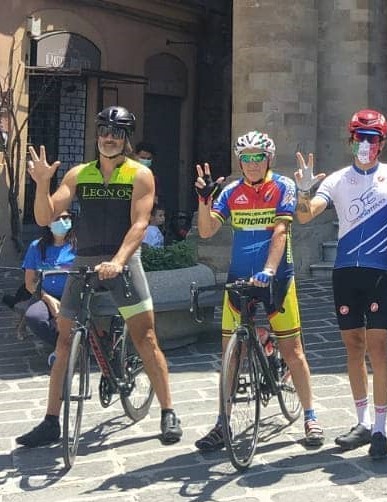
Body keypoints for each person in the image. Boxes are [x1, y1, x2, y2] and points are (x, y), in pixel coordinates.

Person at [17, 105, 183, 448]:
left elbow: (140, 224)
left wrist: (121, 260)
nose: (109, 138)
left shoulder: (140, 174)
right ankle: (50, 420)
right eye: (105, 132)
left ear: (126, 140)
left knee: (146, 337)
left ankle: (168, 411)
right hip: (86, 259)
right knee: (64, 342)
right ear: (98, 136)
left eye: (117, 133)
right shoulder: (79, 174)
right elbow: (46, 215)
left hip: (122, 260)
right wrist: (43, 183)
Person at [193, 130, 324, 450]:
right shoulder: (231, 191)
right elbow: (208, 231)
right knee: (229, 354)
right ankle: (222, 423)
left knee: (293, 352)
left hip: (276, 278)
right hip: (238, 278)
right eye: (245, 158)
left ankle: (310, 417)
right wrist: (204, 200)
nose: (251, 163)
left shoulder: (282, 186)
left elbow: (281, 230)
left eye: (257, 157)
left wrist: (269, 269)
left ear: (268, 158)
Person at [295, 109, 387, 459]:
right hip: (345, 271)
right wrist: (304, 190)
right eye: (359, 138)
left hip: (379, 271)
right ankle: (361, 421)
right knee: (352, 345)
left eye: (372, 139)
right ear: (350, 141)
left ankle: (380, 426)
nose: (365, 144)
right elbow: (305, 216)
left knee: (379, 348)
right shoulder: (337, 179)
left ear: (382, 143)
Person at [13, 214, 77, 355]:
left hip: (74, 295)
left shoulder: (79, 246)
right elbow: (30, 283)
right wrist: (48, 299)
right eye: (56, 218)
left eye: (66, 217)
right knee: (34, 316)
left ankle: (73, 346)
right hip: (44, 295)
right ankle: (61, 347)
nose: (62, 221)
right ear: (48, 223)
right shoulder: (36, 247)